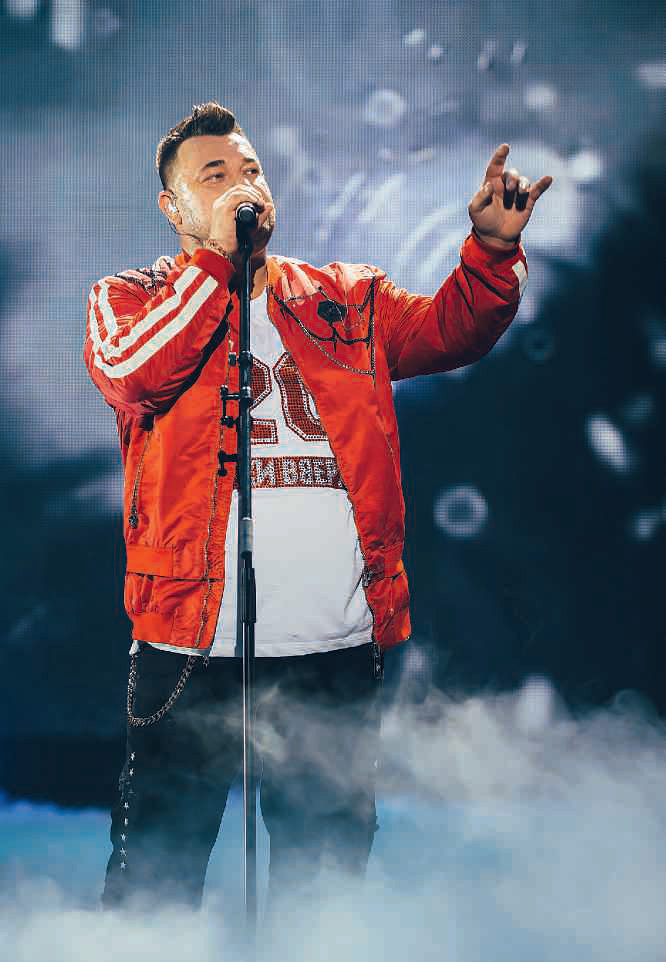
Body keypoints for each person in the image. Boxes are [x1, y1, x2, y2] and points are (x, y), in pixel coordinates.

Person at [83, 101, 552, 915]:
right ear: (174, 207)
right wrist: (214, 269)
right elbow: (135, 375)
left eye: (252, 170)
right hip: (191, 647)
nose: (243, 186)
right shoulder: (130, 298)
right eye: (215, 176)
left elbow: (451, 331)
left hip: (331, 648)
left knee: (324, 882)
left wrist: (491, 252)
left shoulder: (348, 298)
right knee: (155, 875)